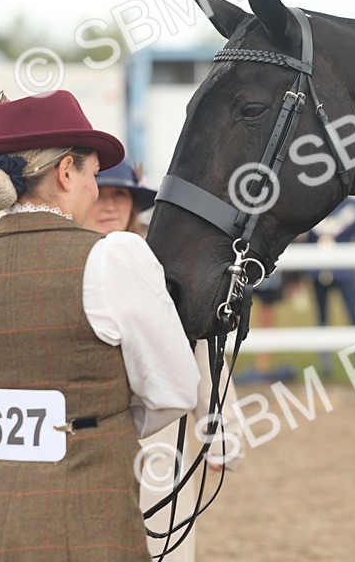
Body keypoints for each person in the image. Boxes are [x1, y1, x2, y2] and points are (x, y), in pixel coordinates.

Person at [0, 90, 198, 562]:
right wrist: (96, 424)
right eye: (92, 174)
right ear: (67, 172)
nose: (95, 189)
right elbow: (175, 391)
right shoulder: (114, 259)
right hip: (89, 510)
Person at [83, 160, 244, 562]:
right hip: (83, 436)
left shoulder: (164, 269)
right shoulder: (66, 263)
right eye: (101, 193)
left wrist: (219, 430)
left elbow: (201, 348)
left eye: (119, 194)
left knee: (164, 541)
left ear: (133, 203)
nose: (108, 205)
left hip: (157, 435)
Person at [291, 196, 355, 375]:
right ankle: (325, 365)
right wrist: (297, 277)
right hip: (318, 272)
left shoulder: (352, 207)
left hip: (345, 272)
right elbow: (304, 241)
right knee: (322, 318)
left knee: (354, 317)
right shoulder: (312, 204)